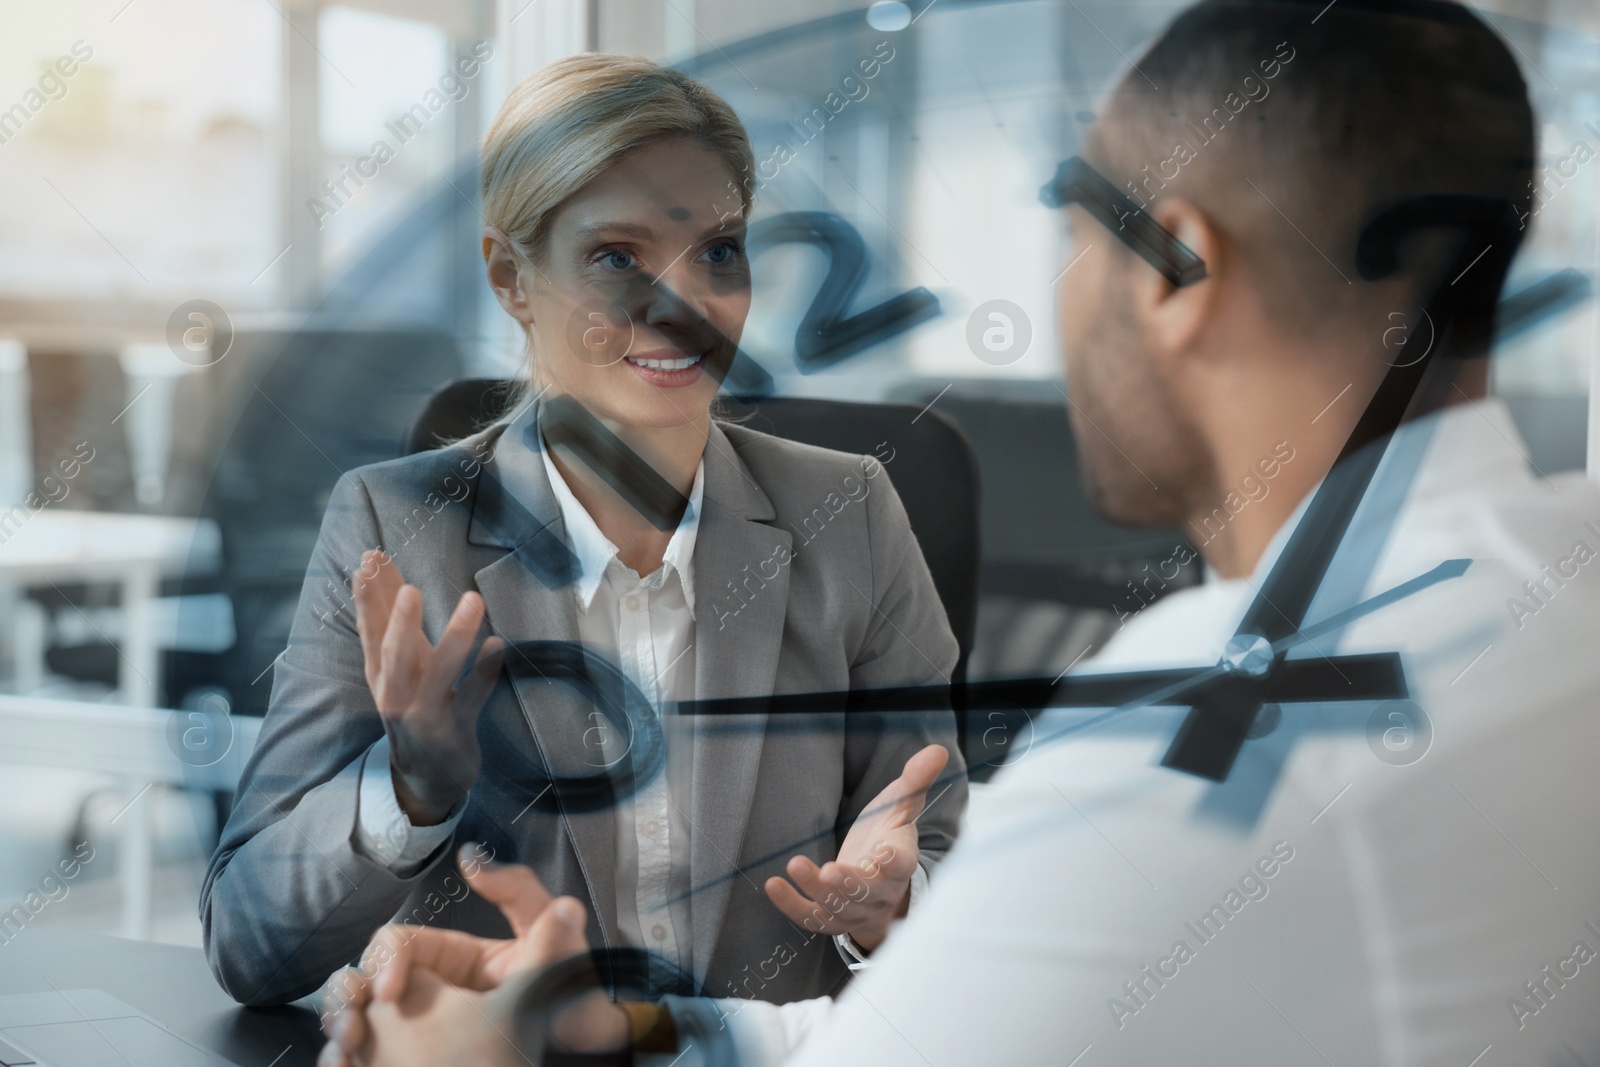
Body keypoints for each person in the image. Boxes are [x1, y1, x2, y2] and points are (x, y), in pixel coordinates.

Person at [317, 1, 1600, 1063]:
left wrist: (489, 1052)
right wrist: (637, 1021)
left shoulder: (1198, 735)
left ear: (1174, 271)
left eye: (1076, 231)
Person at [201, 52, 966, 1010]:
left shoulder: (849, 513)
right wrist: (407, 790)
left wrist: (893, 906)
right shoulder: (399, 528)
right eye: (618, 258)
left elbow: (934, 859)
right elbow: (248, 945)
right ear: (512, 277)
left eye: (720, 250)